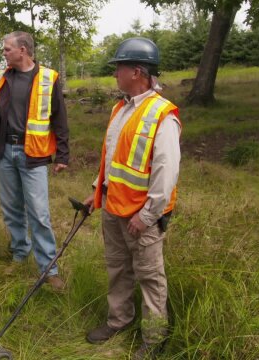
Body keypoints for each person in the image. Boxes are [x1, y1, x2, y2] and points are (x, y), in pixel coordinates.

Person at [83, 37, 181, 360]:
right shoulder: (120, 108)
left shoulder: (162, 116)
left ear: (137, 71)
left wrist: (147, 215)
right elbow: (113, 158)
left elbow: (166, 173)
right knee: (117, 269)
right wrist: (97, 191)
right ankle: (119, 321)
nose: (115, 74)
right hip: (113, 207)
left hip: (142, 217)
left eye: (119, 68)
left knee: (150, 277)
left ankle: (153, 341)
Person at [0, 31, 69, 291]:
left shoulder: (48, 78)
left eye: (7, 49)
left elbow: (59, 118)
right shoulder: (0, 78)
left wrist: (62, 154)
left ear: (23, 50)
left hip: (34, 155)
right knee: (12, 209)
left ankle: (49, 269)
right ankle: (19, 253)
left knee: (39, 213)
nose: (3, 53)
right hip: (5, 152)